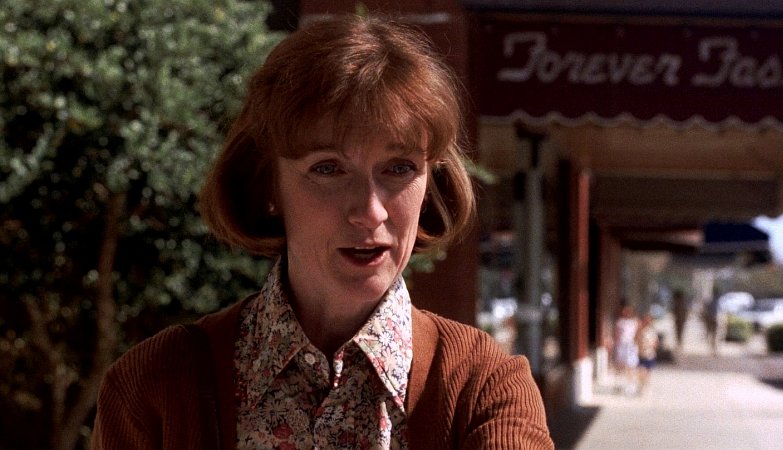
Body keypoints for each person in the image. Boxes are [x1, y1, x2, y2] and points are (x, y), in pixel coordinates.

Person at [91, 15, 553, 449]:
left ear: (429, 184)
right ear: (269, 185)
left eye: (399, 167)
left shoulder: (485, 388)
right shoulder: (152, 386)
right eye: (328, 168)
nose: (369, 212)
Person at [613, 301, 640, 395]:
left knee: (631, 366)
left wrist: (636, 345)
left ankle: (631, 385)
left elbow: (638, 334)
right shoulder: (620, 322)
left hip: (631, 345)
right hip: (621, 345)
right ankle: (620, 385)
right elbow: (616, 335)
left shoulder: (635, 322)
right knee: (621, 365)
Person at [636, 312, 659, 395]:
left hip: (650, 354)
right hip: (641, 354)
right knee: (642, 372)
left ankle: (647, 387)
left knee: (648, 373)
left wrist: (652, 346)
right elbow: (636, 340)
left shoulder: (652, 331)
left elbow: (656, 342)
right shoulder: (640, 331)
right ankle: (641, 386)